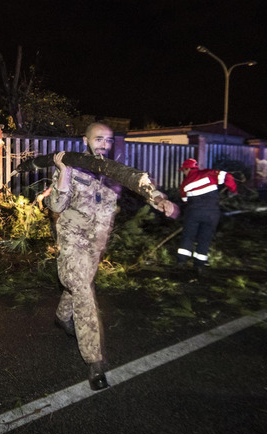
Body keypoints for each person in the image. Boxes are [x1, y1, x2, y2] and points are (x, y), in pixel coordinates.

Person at [47, 122, 177, 390]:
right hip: (72, 239)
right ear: (85, 140)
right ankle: (94, 361)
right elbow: (56, 205)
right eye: (98, 139)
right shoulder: (72, 166)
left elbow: (141, 185)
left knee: (78, 284)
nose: (103, 144)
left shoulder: (115, 171)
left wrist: (160, 200)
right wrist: (63, 172)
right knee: (83, 290)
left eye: (107, 140)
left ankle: (61, 317)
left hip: (96, 243)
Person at [176, 158, 237, 271]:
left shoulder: (185, 183)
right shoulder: (209, 173)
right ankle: (199, 264)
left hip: (193, 213)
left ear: (188, 169)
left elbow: (185, 200)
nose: (183, 173)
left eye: (183, 170)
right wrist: (232, 190)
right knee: (205, 238)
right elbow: (227, 176)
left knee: (188, 236)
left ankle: (182, 262)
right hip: (212, 214)